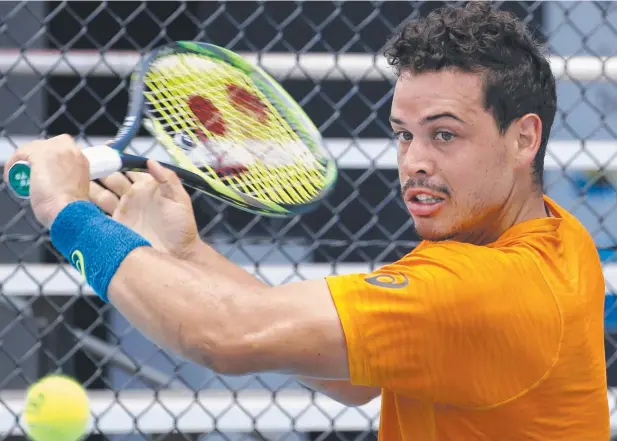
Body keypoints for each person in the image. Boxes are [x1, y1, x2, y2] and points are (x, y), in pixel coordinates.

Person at [4, 2, 610, 440]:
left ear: (523, 137)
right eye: (403, 135)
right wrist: (186, 255)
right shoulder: (558, 237)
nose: (414, 163)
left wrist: (67, 212)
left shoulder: (476, 287)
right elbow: (353, 379)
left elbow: (224, 337)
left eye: (445, 135)